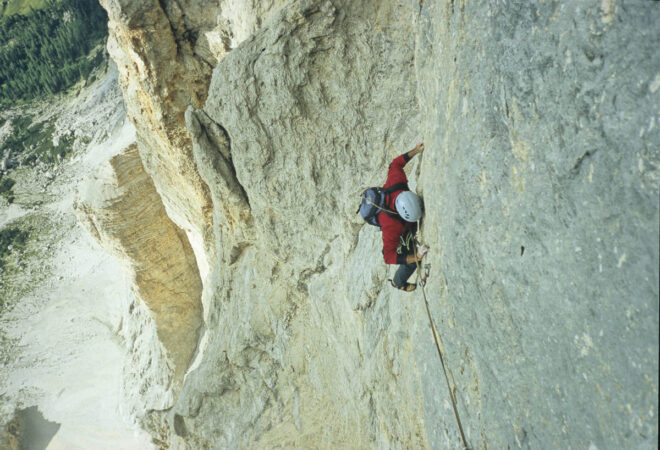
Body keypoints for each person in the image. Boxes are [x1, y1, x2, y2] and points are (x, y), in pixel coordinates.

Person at [379, 142, 429, 292]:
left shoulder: (397, 182)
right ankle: (398, 282)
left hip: (404, 221)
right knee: (412, 260)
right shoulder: (390, 226)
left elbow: (396, 164)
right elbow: (388, 257)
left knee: (411, 243)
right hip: (399, 229)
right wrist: (416, 257)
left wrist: (416, 150)